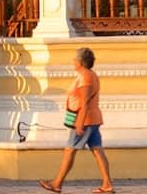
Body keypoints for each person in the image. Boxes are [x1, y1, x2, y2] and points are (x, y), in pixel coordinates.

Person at [40, 48, 114, 194]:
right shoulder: (88, 75)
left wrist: (80, 122)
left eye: (75, 59)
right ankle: (107, 184)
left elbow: (84, 102)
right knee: (97, 150)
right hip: (92, 119)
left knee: (70, 150)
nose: (73, 61)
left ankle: (57, 183)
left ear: (80, 62)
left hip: (85, 120)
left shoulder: (86, 77)